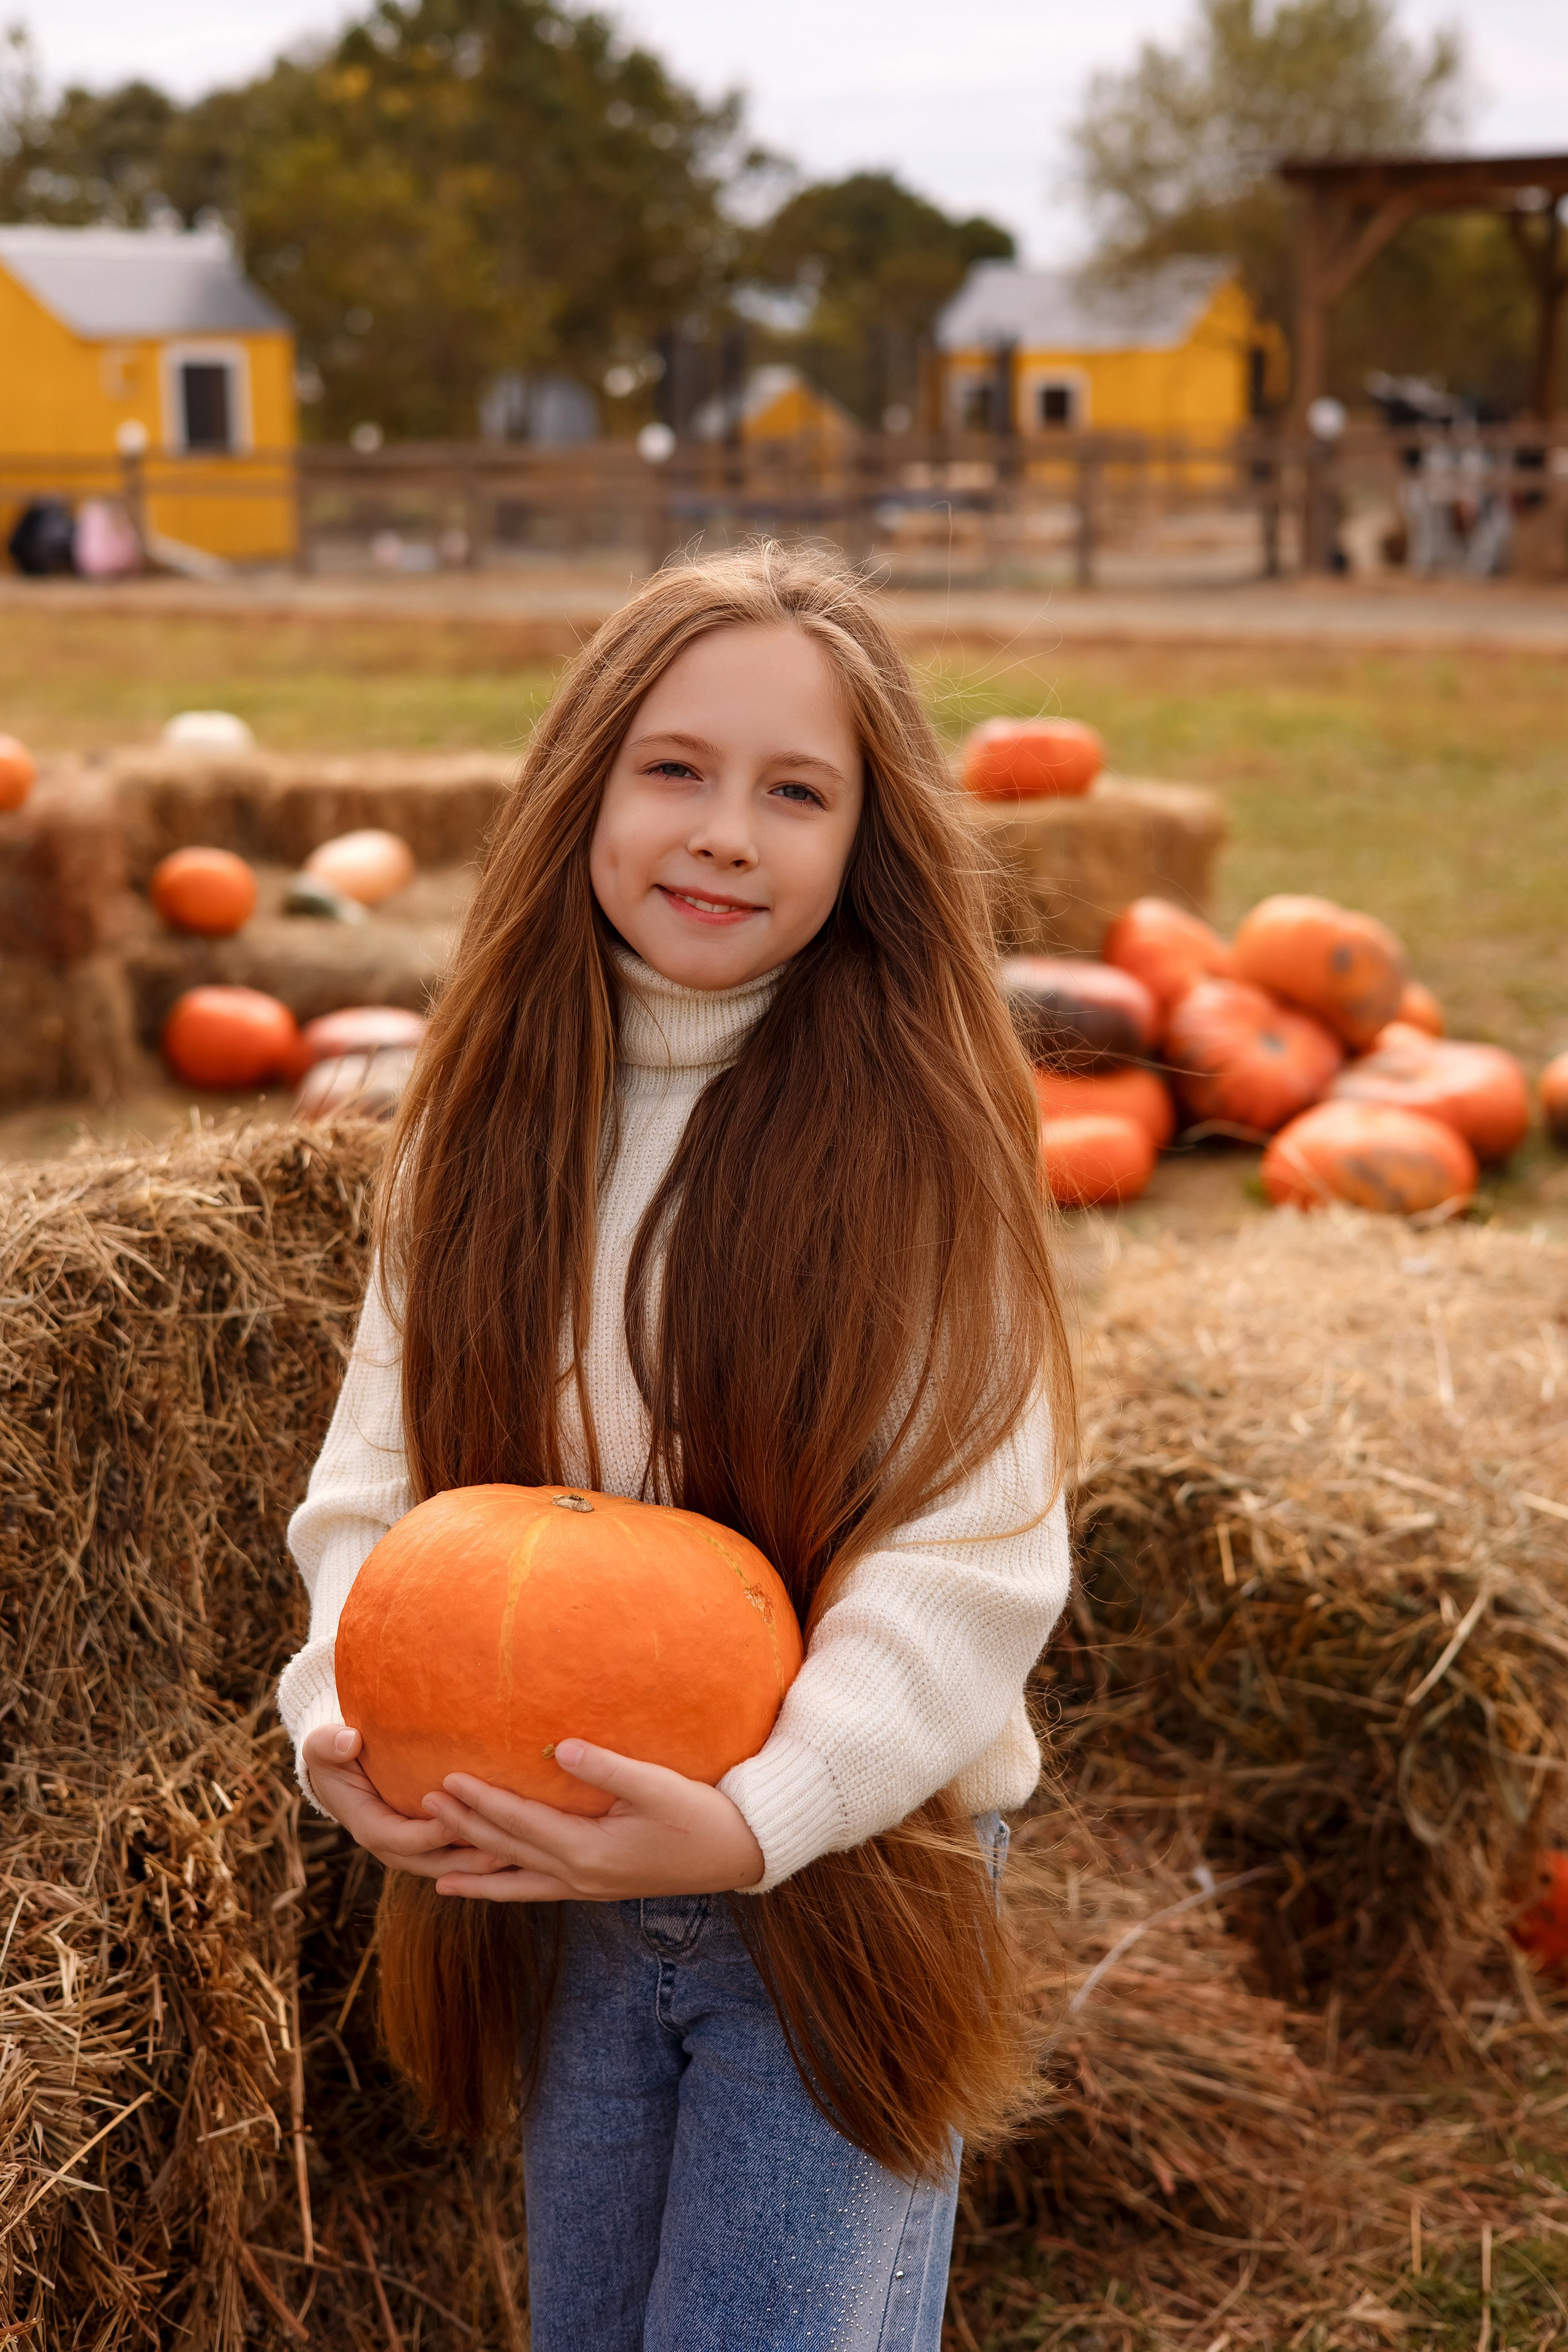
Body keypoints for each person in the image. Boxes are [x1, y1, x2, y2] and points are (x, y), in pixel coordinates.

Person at [277, 543, 1073, 2351]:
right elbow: (374, 1496)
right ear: (583, 790)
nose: (726, 831)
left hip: (844, 1880)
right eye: (675, 769)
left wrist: (754, 1818)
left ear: (868, 844)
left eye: (796, 793)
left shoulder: (919, 1146)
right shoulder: (478, 1127)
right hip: (554, 1876)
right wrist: (346, 1713)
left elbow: (975, 1552)